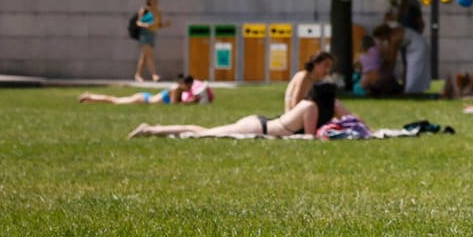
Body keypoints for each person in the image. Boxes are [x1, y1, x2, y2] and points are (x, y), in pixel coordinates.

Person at [131, 52, 345, 137]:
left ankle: (151, 129)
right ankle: (150, 129)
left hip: (269, 124)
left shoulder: (308, 79)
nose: (327, 70)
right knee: (203, 133)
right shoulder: (304, 78)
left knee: (203, 132)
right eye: (325, 65)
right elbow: (294, 106)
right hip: (265, 125)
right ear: (316, 63)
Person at [81, 72, 213, 105]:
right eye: (188, 86)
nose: (189, 89)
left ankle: (90, 97)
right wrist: (191, 103)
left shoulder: (177, 89)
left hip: (146, 97)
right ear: (183, 84)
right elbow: (174, 105)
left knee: (116, 100)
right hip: (144, 99)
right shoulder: (176, 89)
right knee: (116, 101)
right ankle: (89, 97)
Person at [132, 0, 169, 83]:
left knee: (144, 57)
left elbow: (158, 25)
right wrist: (146, 25)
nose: (156, 1)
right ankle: (154, 75)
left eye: (156, 0)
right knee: (150, 55)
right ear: (149, 0)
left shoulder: (159, 12)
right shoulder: (144, 10)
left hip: (152, 35)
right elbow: (138, 22)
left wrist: (165, 25)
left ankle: (138, 75)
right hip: (144, 34)